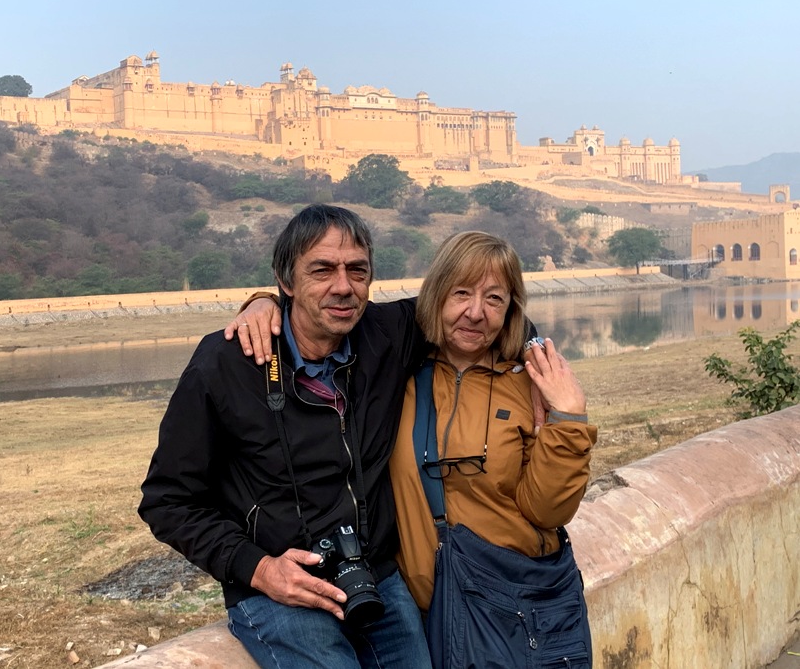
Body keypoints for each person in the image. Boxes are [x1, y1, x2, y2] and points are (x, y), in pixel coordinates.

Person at [138, 204, 433, 668]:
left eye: (357, 270)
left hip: (373, 575)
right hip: (278, 586)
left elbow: (479, 309)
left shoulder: (387, 335)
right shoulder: (228, 362)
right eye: (322, 270)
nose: (343, 286)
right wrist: (258, 569)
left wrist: (540, 366)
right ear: (287, 281)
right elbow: (167, 500)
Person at [390, 231, 595, 668]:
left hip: (512, 612)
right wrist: (264, 302)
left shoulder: (528, 386)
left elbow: (548, 511)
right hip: (426, 618)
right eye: (461, 293)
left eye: (494, 299)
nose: (475, 313)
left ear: (510, 310)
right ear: (437, 294)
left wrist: (570, 418)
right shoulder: (398, 376)